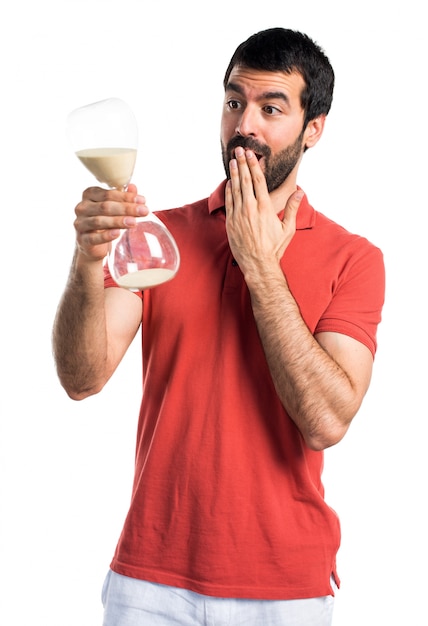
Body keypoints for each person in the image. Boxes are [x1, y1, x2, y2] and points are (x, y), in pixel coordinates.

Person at [53, 27, 385, 626]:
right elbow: (81, 377)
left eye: (271, 108)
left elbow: (327, 420)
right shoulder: (161, 236)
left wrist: (260, 265)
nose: (244, 126)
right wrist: (87, 260)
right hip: (148, 578)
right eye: (235, 102)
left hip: (285, 588)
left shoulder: (353, 258)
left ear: (314, 128)